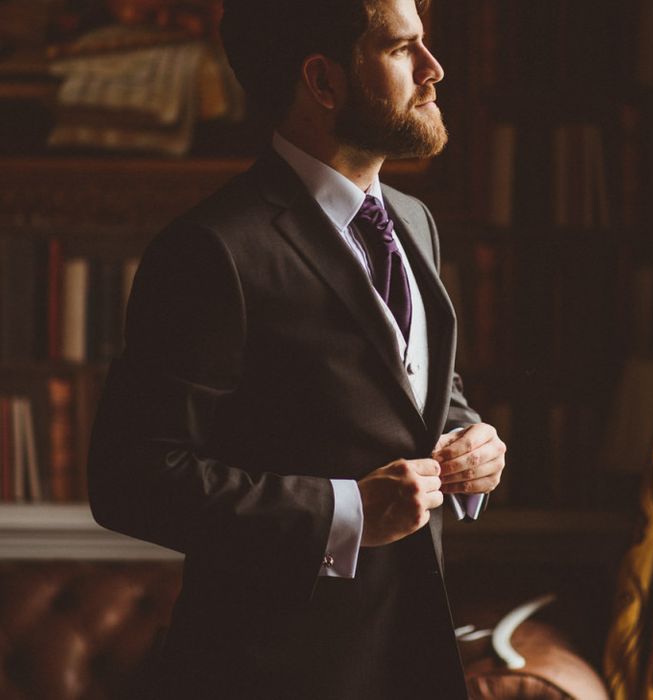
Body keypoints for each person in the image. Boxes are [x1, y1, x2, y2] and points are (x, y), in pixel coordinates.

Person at [87, 0, 506, 697]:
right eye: (404, 50)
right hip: (267, 674)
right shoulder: (211, 250)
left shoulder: (414, 221)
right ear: (323, 80)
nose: (435, 70)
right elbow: (131, 478)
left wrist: (472, 443)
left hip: (412, 660)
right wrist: (345, 513)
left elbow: (418, 396)